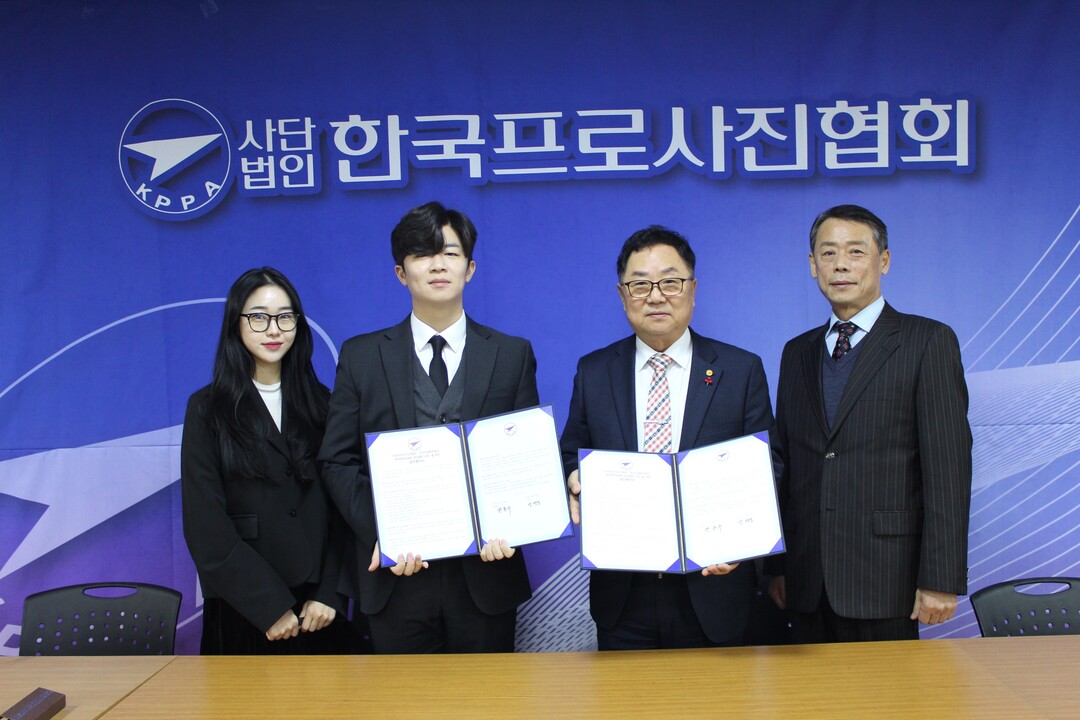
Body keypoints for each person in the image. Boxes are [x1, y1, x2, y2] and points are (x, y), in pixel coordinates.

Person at [319, 201, 536, 654]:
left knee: (488, 694)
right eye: (422, 253)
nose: (438, 264)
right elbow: (337, 461)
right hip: (396, 576)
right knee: (404, 694)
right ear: (401, 273)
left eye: (450, 253)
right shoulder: (361, 356)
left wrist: (513, 524)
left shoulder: (511, 354)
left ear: (470, 268)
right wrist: (385, 533)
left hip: (486, 575)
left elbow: (525, 459)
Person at [560, 225, 774, 650]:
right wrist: (573, 478)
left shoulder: (740, 369)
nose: (656, 296)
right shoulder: (594, 371)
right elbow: (571, 452)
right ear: (622, 294)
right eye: (640, 285)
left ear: (693, 289)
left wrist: (743, 542)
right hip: (624, 591)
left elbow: (770, 467)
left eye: (670, 282)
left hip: (714, 586)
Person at [767, 204, 972, 643]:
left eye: (856, 252)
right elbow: (785, 466)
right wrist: (776, 566)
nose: (840, 264)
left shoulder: (927, 341)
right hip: (805, 581)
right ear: (813, 265)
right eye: (828, 253)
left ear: (884, 261)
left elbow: (948, 468)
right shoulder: (796, 352)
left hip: (886, 579)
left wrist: (941, 577)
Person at [181, 267, 347, 654]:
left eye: (285, 317)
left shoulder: (324, 403)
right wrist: (269, 606)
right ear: (235, 323)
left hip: (317, 610)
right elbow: (205, 525)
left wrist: (330, 593)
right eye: (258, 317)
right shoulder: (207, 409)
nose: (273, 330)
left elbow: (344, 507)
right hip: (243, 607)